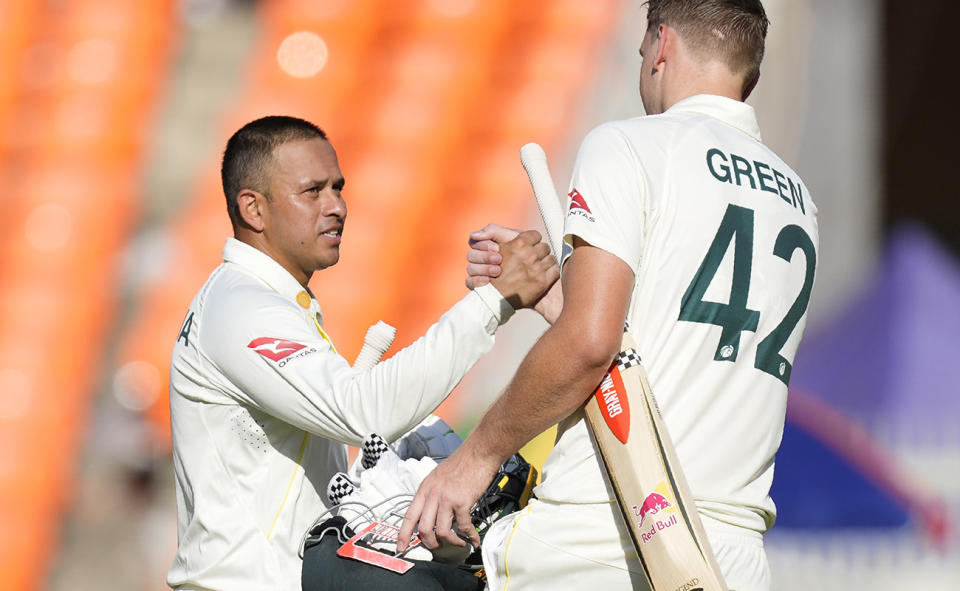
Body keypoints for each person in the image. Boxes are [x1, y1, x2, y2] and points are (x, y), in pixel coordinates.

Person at [399, 2, 818, 590]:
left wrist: (473, 461)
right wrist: (552, 293)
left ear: (661, 43)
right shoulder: (797, 198)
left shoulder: (627, 145)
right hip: (731, 555)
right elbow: (656, 342)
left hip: (609, 535)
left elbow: (591, 344)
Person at [166, 115, 558, 590]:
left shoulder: (263, 299)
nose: (336, 206)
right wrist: (493, 301)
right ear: (254, 209)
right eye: (313, 191)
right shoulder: (241, 307)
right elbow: (363, 410)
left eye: (338, 187)